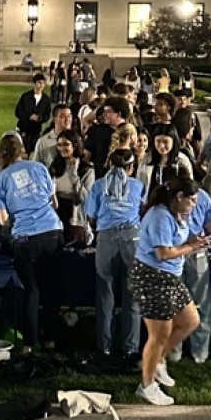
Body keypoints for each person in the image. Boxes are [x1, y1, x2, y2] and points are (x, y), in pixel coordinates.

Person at [130, 174, 211, 406]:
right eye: (192, 200)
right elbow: (163, 253)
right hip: (152, 277)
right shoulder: (159, 217)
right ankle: (146, 385)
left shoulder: (179, 214)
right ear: (179, 197)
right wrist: (191, 247)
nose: (195, 205)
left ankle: (157, 361)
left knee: (190, 320)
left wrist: (194, 240)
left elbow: (180, 240)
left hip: (171, 277)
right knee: (159, 334)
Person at [0, 133, 63, 352]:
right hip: (52, 231)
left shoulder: (1, 179)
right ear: (22, 149)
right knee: (51, 287)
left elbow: (3, 219)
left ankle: (30, 342)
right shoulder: (39, 168)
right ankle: (51, 339)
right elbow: (54, 202)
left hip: (25, 237)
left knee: (31, 289)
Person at [84, 148, 143, 362]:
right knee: (132, 296)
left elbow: (90, 217)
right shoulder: (137, 185)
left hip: (106, 238)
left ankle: (105, 347)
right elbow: (142, 211)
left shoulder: (99, 185)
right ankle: (130, 348)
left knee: (105, 294)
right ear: (131, 167)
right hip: (132, 239)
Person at [170, 185, 211, 365]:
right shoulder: (203, 196)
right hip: (187, 252)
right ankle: (199, 351)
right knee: (199, 302)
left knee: (178, 301)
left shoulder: (173, 196)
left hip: (181, 251)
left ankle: (179, 351)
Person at [14, 73, 52, 155]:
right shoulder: (25, 96)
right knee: (22, 153)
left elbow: (47, 115)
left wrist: (39, 118)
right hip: (24, 129)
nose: (41, 85)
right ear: (35, 83)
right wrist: (29, 117)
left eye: (43, 83)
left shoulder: (46, 99)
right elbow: (18, 112)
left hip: (36, 131)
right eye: (39, 82)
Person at [31, 104, 74, 168]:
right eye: (62, 116)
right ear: (54, 119)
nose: (67, 119)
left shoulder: (76, 138)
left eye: (69, 116)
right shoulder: (43, 142)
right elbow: (36, 166)